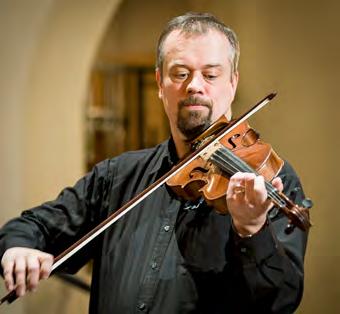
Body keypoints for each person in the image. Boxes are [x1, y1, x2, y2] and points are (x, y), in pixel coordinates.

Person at [0, 12, 309, 314]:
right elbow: (32, 226)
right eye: (180, 73)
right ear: (160, 83)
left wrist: (252, 230)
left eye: (211, 74)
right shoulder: (116, 176)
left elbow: (280, 301)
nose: (194, 86)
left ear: (233, 82)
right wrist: (17, 249)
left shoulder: (270, 178)